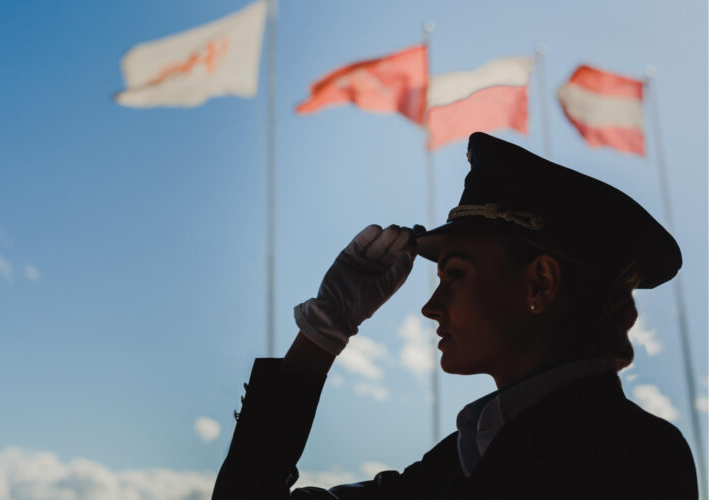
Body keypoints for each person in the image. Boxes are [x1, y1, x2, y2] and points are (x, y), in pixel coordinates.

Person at [211, 132, 699, 499]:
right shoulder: (459, 460)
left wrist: (322, 337)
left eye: (455, 275)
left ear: (539, 283)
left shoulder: (629, 455)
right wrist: (323, 332)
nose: (430, 306)